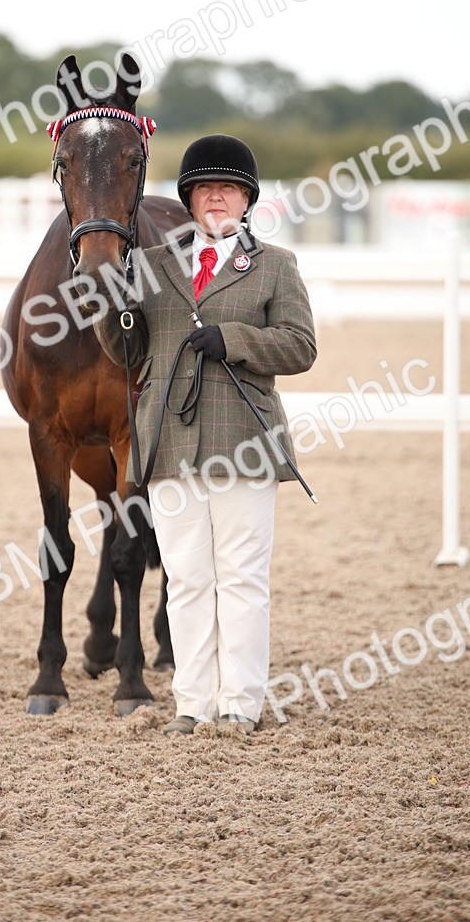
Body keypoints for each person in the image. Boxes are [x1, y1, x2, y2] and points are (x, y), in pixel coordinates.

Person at [94, 134, 317, 735]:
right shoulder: (151, 265)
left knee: (242, 578)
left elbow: (301, 347)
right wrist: (112, 301)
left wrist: (237, 341)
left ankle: (239, 704)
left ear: (247, 200)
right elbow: (125, 351)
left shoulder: (275, 266)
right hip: (168, 445)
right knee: (188, 580)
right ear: (189, 200)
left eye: (228, 189)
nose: (216, 197)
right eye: (204, 189)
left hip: (244, 440)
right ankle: (192, 703)